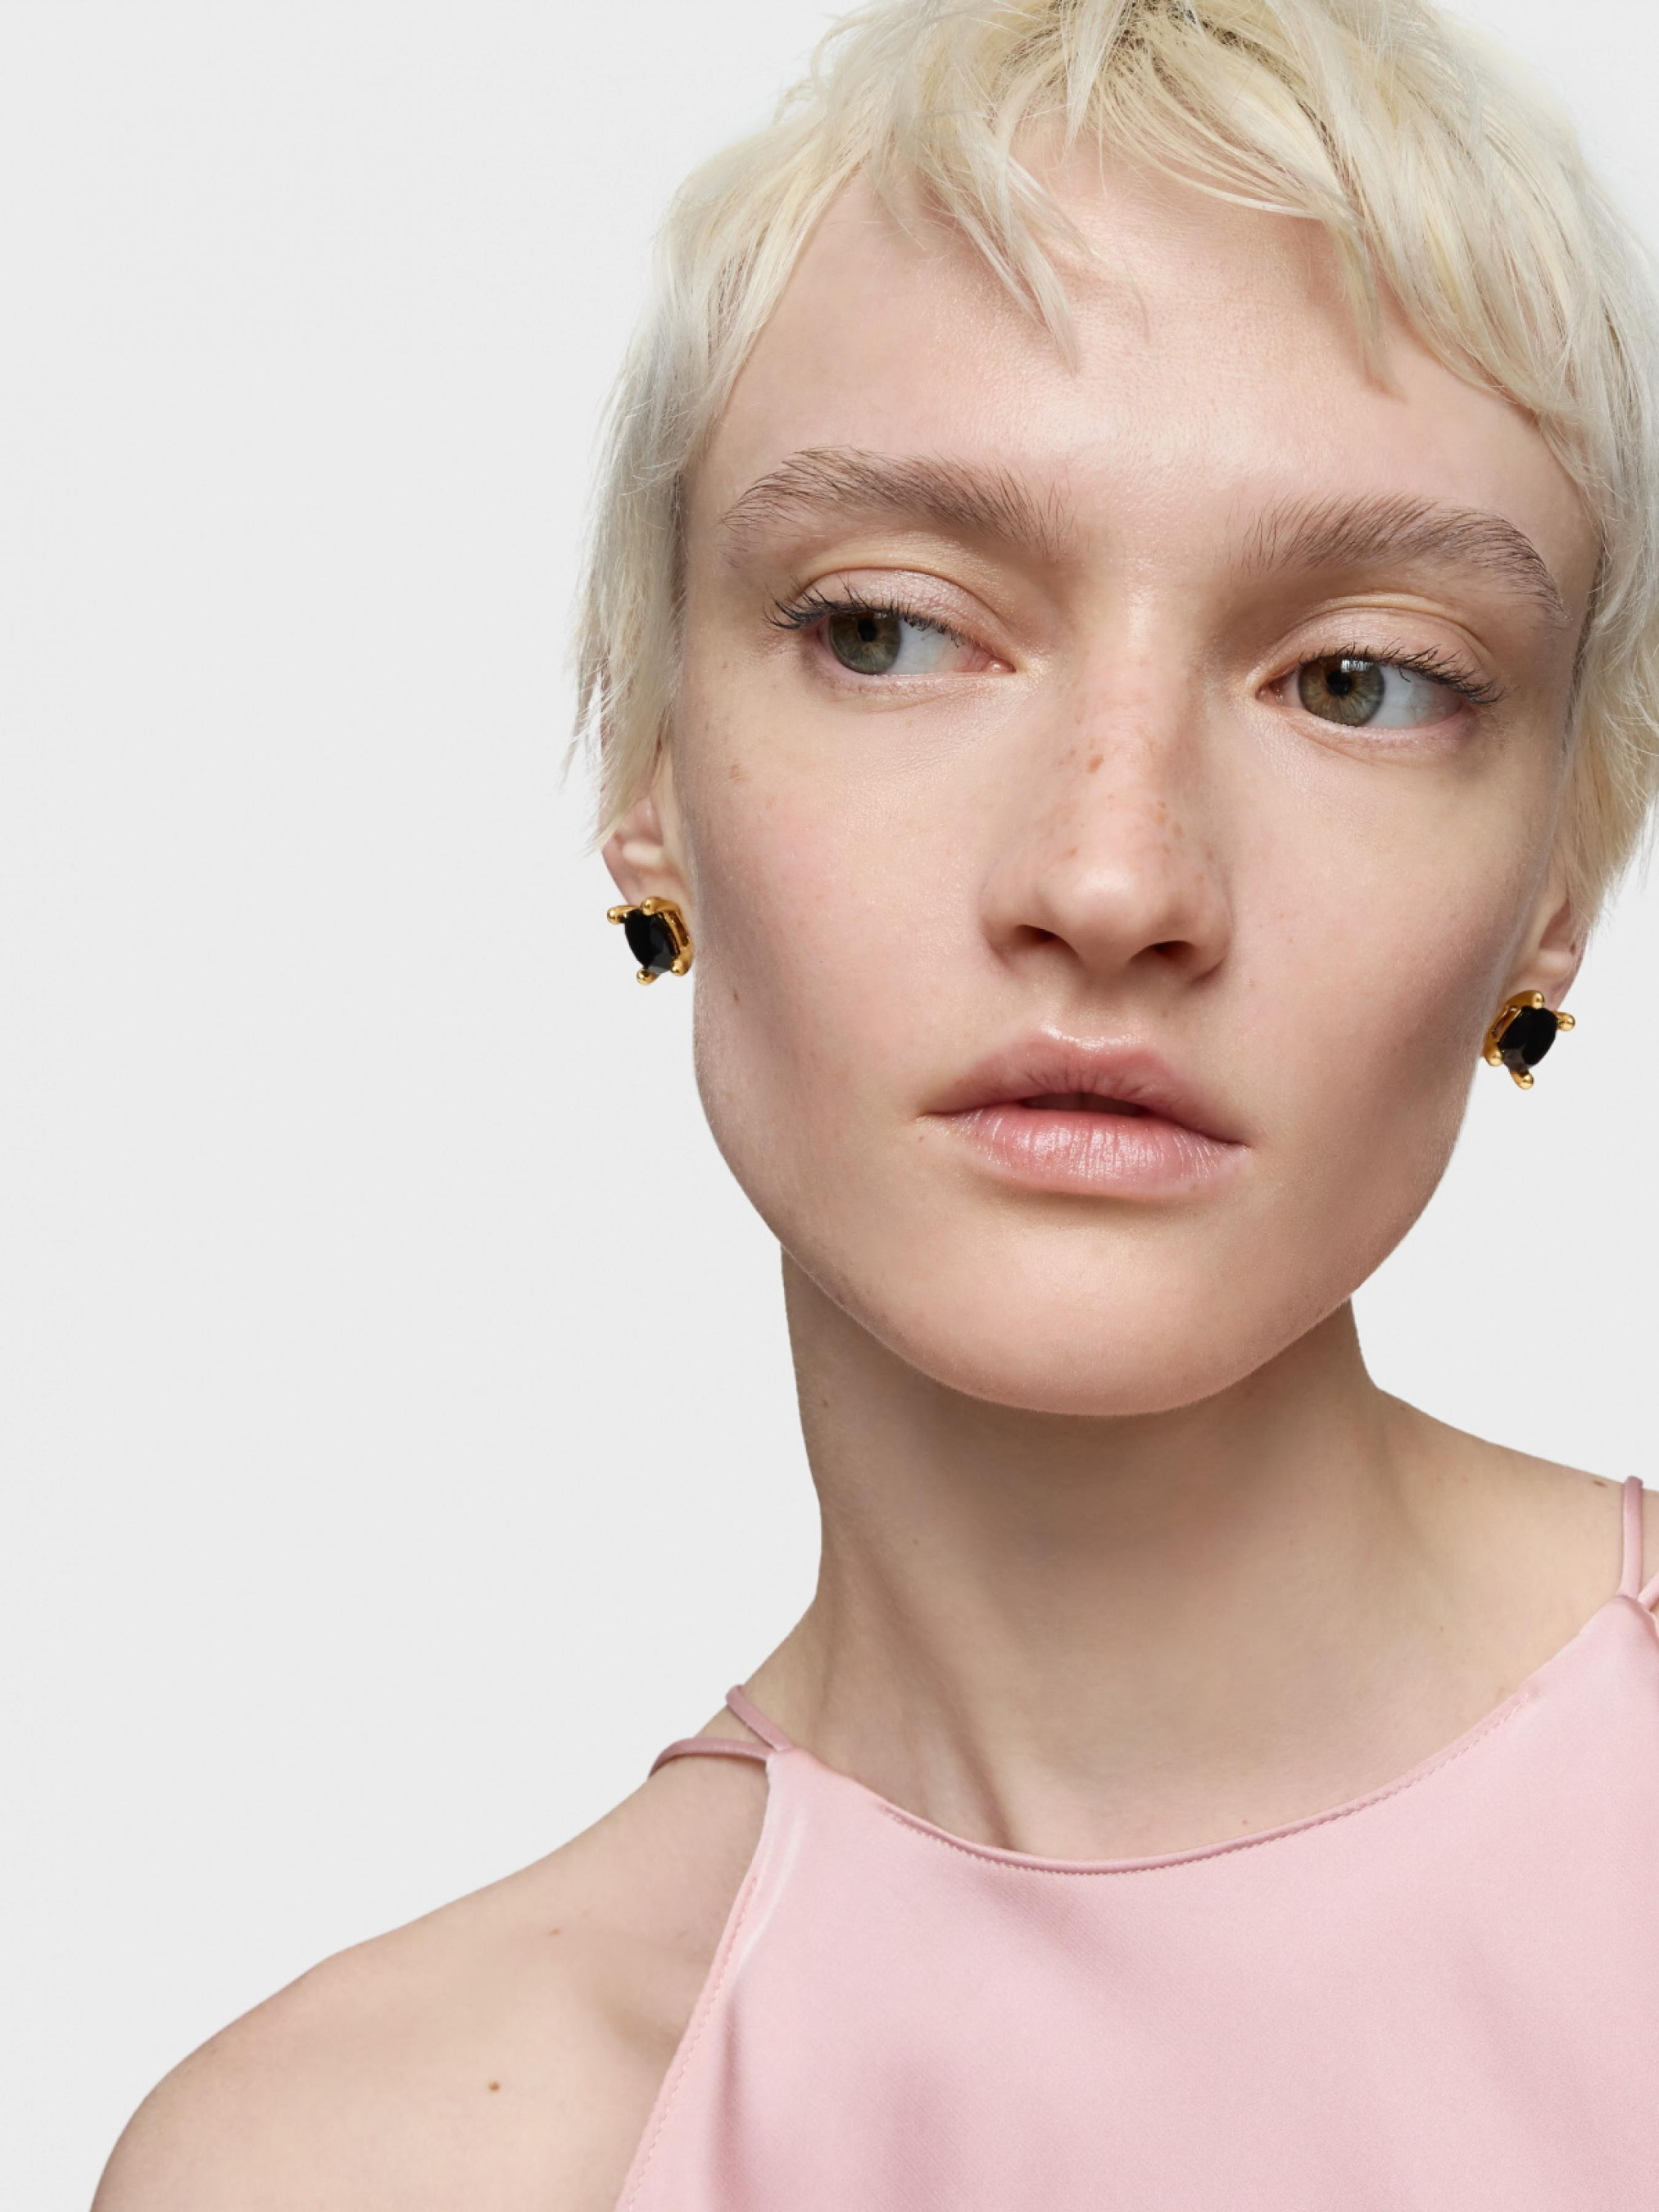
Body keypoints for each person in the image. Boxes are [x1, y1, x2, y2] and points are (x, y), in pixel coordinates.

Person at [95, 0, 1659, 2205]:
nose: (1112, 879)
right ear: (650, 774)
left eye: (1358, 678)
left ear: (1553, 890)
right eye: (893, 632)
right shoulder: (357, 2165)